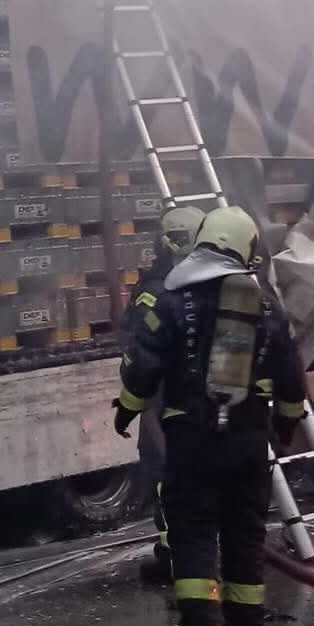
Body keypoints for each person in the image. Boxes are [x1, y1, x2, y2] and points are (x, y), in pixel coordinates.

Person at [113, 206, 306, 626]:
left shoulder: (170, 300)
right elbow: (291, 375)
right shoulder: (264, 305)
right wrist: (285, 426)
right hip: (247, 441)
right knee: (245, 533)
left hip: (192, 440)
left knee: (194, 532)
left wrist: (127, 410)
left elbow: (143, 367)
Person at [119, 204, 205, 586]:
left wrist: (138, 412)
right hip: (202, 405)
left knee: (165, 475)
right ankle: (186, 553)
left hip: (172, 405)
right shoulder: (217, 283)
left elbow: (142, 362)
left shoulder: (155, 293)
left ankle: (175, 556)